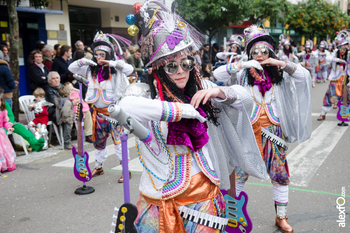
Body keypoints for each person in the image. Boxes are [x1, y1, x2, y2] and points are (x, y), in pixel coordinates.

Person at [121, 2, 266, 232]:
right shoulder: (144, 94)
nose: (180, 71)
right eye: (170, 66)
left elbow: (246, 98)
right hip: (159, 199)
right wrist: (182, 111)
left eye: (186, 63)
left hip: (204, 195)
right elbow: (125, 106)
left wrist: (220, 92)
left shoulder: (201, 88)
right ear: (156, 68)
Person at [214, 25, 312, 233]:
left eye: (264, 51)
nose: (259, 55)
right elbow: (218, 73)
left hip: (274, 133)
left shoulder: (280, 74)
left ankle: (281, 217)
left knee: (279, 175)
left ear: (271, 52)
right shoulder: (242, 74)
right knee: (239, 175)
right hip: (247, 133)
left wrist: (279, 63)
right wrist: (243, 63)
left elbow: (303, 76)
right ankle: (234, 217)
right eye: (254, 52)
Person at [68, 31, 133, 182]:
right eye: (97, 55)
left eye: (102, 54)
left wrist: (109, 63)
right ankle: (99, 166)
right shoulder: (90, 69)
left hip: (115, 113)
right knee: (99, 142)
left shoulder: (115, 69)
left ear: (108, 55)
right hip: (98, 113)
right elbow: (71, 69)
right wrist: (83, 61)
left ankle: (126, 170)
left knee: (119, 142)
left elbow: (129, 70)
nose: (98, 58)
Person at [318, 31, 350, 123]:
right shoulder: (335, 54)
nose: (342, 50)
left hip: (346, 79)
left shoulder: (348, 55)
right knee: (330, 96)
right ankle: (323, 113)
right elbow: (328, 58)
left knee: (347, 98)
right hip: (336, 79)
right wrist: (340, 60)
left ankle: (345, 114)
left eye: (344, 48)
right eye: (340, 48)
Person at [0, 90, 16, 174]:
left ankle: (6, 165)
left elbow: (5, 122)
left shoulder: (3, 112)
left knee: (3, 151)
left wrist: (8, 127)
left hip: (1, 135)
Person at [54, 84, 74, 150]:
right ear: (68, 93)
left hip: (60, 118)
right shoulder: (67, 102)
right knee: (67, 132)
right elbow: (65, 111)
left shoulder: (60, 100)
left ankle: (67, 143)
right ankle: (67, 144)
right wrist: (65, 118)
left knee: (64, 131)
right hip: (67, 119)